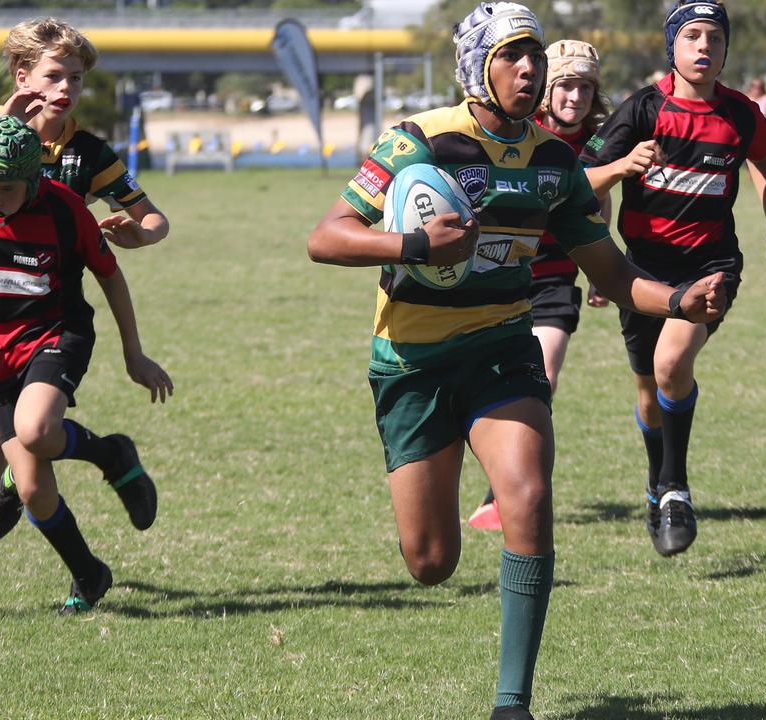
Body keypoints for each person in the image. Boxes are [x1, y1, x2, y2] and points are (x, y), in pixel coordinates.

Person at [306, 4, 725, 717]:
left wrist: (678, 301)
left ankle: (512, 703)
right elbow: (327, 236)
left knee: (526, 495)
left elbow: (615, 277)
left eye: (535, 56)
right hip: (412, 363)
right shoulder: (421, 141)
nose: (530, 69)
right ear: (478, 67)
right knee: (430, 562)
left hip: (503, 348)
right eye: (513, 55)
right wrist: (414, 247)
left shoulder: (555, 162)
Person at [0, 18, 171, 616]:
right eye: (55, 76)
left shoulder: (86, 153)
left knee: (18, 452)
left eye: (76, 78)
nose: (66, 89)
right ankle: (1, 578)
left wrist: (137, 234)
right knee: (13, 468)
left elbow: (154, 219)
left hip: (53, 326)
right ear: (23, 76)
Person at [579, 0, 766, 557]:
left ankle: (675, 487)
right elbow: (582, 181)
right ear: (671, 45)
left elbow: (764, 161)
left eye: (715, 38)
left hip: (710, 265)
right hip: (640, 272)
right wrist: (621, 167)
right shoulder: (642, 109)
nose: (705, 47)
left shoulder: (741, 113)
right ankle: (658, 484)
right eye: (692, 35)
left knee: (673, 364)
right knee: (650, 392)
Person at [467, 38, 613, 532]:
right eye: (566, 86)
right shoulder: (521, 134)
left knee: (541, 379)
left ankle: (500, 495)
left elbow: (595, 202)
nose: (575, 98)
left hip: (554, 279)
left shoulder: (596, 145)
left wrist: (600, 269)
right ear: (547, 90)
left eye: (586, 89)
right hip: (504, 275)